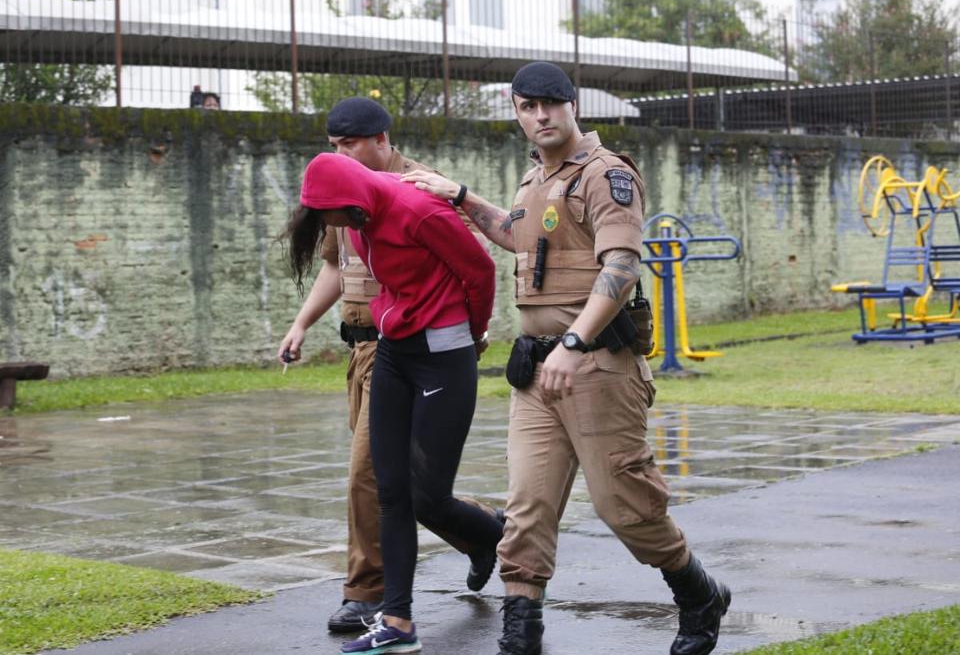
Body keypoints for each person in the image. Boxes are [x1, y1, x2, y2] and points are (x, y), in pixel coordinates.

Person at [403, 61, 731, 655]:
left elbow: (623, 267)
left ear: (572, 105)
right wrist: (459, 196)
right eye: (527, 107)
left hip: (597, 366)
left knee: (625, 506)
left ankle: (698, 591)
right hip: (536, 373)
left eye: (550, 104)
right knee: (527, 508)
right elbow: (517, 234)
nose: (540, 116)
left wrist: (575, 344)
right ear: (517, 111)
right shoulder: (535, 179)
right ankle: (520, 633)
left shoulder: (606, 175)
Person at [278, 97, 503, 635]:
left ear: (381, 138)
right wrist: (301, 323)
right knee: (401, 486)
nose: (339, 154)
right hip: (368, 343)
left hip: (416, 346)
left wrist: (470, 336)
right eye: (333, 146)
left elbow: (476, 268)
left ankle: (366, 594)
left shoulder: (423, 190)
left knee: (370, 476)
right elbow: (335, 267)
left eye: (348, 143)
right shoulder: (341, 194)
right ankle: (483, 532)